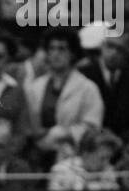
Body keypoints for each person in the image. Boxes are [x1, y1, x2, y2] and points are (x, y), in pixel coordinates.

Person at [24, 28, 104, 169]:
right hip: (37, 159)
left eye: (62, 49)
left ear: (72, 53)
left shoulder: (88, 88)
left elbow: (92, 127)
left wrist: (62, 133)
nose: (56, 54)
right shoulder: (34, 87)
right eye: (52, 48)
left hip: (73, 160)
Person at [78, 28, 129, 138]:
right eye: (110, 46)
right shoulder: (84, 75)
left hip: (123, 142)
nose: (113, 53)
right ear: (102, 46)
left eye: (120, 49)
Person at [48, 125, 121, 191]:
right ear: (85, 153)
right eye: (102, 158)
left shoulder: (108, 170)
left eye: (109, 158)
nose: (106, 163)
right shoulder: (61, 170)